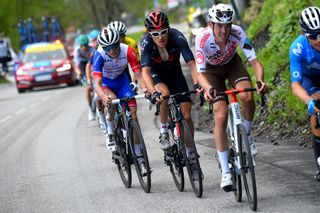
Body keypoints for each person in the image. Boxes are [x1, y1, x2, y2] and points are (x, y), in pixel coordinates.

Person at [195, 4, 268, 191]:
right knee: (220, 115)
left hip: (232, 65)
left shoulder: (237, 32)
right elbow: (200, 74)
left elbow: (255, 62)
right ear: (210, 24)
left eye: (227, 25)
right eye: (219, 25)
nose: (224, 30)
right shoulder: (202, 38)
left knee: (247, 96)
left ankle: (247, 132)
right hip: (210, 73)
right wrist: (207, 88)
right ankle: (226, 171)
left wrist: (260, 81)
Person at [140, 10, 202, 150]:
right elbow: (145, 71)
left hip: (175, 73)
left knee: (186, 115)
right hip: (157, 75)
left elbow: (191, 63)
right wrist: (152, 91)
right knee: (164, 95)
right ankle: (163, 131)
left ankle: (191, 150)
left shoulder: (177, 36)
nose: (160, 37)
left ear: (168, 29)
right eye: (155, 34)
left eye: (163, 31)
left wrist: (197, 83)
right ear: (150, 34)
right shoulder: (146, 43)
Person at [92, 27, 146, 154]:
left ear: (119, 43)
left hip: (122, 81)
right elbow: (97, 84)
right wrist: (103, 97)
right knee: (113, 101)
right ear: (103, 48)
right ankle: (110, 132)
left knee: (133, 115)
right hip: (106, 83)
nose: (111, 51)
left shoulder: (127, 50)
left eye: (114, 46)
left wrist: (145, 89)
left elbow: (138, 74)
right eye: (107, 48)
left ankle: (138, 153)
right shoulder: (99, 55)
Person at [289, 6, 320, 181]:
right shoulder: (298, 48)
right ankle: (319, 160)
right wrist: (309, 101)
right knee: (317, 106)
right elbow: (296, 85)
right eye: (313, 36)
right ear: (304, 34)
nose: (319, 39)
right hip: (310, 80)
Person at [107, 21, 140, 89]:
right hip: (108, 69)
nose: (117, 39)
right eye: (115, 36)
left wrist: (134, 83)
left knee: (131, 90)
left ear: (125, 35)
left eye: (120, 36)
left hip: (123, 65)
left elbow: (138, 65)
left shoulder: (131, 43)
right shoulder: (103, 47)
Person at [74, 34, 96, 121]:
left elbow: (95, 64)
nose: (84, 47)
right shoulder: (77, 52)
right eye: (82, 46)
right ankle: (90, 108)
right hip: (83, 71)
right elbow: (77, 65)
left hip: (92, 69)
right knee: (87, 88)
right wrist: (79, 73)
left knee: (95, 87)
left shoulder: (92, 50)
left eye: (85, 45)